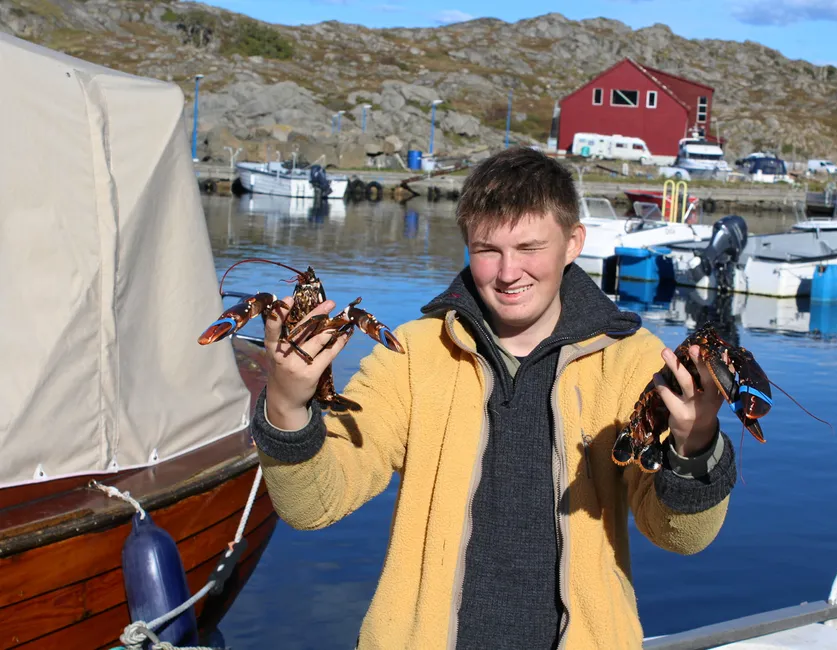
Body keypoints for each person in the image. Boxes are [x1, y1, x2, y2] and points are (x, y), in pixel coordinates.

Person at [252, 147, 738, 649]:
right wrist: (287, 405)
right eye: (487, 249)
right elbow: (314, 505)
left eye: (529, 248)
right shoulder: (415, 353)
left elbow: (681, 536)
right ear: (466, 244)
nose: (508, 273)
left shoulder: (633, 363)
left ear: (573, 243)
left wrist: (696, 445)